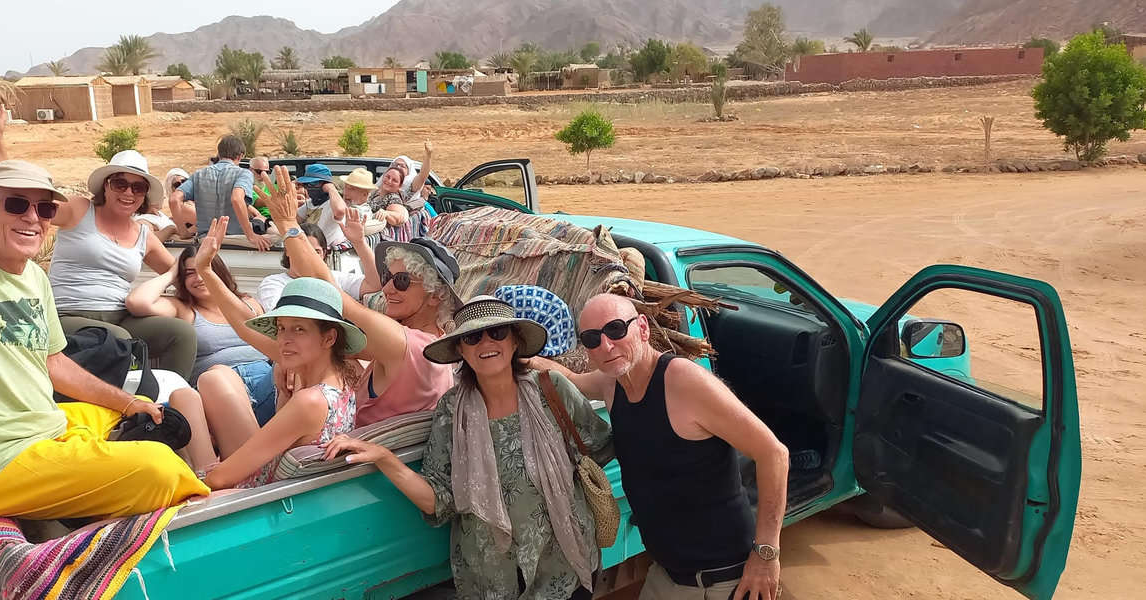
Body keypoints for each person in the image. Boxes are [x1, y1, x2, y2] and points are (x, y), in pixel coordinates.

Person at [0, 138, 208, 519]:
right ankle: (206, 492)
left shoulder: (32, 276)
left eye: (44, 208)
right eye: (16, 204)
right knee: (160, 469)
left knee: (151, 417)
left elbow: (53, 362)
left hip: (44, 426)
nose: (33, 218)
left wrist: (128, 403)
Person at [323, 296, 612, 599]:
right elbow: (438, 500)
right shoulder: (451, 411)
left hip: (564, 568)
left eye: (497, 332)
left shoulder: (551, 389)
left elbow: (599, 447)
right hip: (492, 580)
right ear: (461, 350)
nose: (486, 343)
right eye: (473, 337)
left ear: (515, 341)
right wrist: (384, 458)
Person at [557, 294, 788, 600]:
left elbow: (774, 453)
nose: (606, 345)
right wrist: (519, 359)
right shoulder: (612, 383)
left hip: (720, 580)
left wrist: (766, 554)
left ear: (642, 328)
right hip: (666, 574)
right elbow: (569, 379)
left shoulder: (683, 381)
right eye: (592, 338)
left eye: (615, 329)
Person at [264, 166, 457, 426]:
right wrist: (286, 363)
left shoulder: (409, 345)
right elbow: (326, 345)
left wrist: (288, 225)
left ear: (435, 295)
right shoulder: (431, 344)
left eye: (401, 281)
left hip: (357, 450)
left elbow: (329, 291)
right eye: (388, 278)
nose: (387, 289)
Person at [187, 221, 365, 489]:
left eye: (299, 329)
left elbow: (220, 479)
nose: (284, 339)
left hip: (260, 498)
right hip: (279, 487)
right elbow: (245, 327)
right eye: (281, 328)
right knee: (204, 383)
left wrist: (194, 477)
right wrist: (205, 271)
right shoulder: (342, 374)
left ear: (329, 338)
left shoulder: (309, 401)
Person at [46, 150, 199, 377]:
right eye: (120, 184)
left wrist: (223, 299)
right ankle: (127, 398)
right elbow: (30, 205)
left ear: (144, 195)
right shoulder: (79, 210)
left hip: (121, 316)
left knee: (181, 333)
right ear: (105, 186)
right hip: (67, 314)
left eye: (138, 187)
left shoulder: (143, 236)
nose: (128, 192)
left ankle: (171, 396)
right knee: (119, 341)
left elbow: (182, 271)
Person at [123, 244, 275, 468]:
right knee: (202, 384)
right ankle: (235, 472)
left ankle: (241, 470)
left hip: (264, 382)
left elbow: (275, 343)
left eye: (205, 269)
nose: (199, 278)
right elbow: (137, 302)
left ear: (219, 272)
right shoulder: (183, 309)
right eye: (190, 273)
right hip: (214, 393)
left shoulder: (248, 303)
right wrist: (172, 272)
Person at [170, 135, 271, 250]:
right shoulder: (244, 174)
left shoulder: (198, 174)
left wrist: (183, 232)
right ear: (240, 156)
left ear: (219, 154)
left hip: (206, 243)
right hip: (237, 242)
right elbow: (236, 199)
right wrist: (250, 235)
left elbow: (174, 199)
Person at [256, 221, 381, 312]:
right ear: (288, 251)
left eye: (316, 252)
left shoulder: (335, 278)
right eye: (303, 251)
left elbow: (374, 285)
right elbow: (280, 316)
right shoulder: (273, 283)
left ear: (324, 254)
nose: (309, 257)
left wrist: (359, 243)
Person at [372, 143, 435, 242]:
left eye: (402, 166)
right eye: (395, 165)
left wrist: (428, 155)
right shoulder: (377, 188)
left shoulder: (408, 188)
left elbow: (423, 175)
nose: (398, 167)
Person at [137, 167, 189, 241]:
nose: (164, 197)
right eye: (160, 195)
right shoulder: (143, 220)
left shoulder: (159, 214)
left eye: (185, 182)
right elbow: (147, 240)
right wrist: (171, 229)